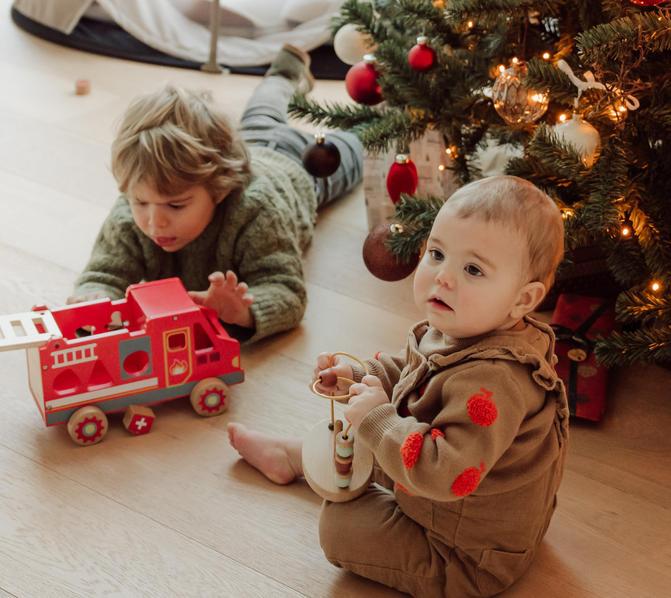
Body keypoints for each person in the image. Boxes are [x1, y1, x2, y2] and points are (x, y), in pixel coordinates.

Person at [227, 175, 570, 598]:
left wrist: (376, 416)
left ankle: (326, 465)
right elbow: (413, 376)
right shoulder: (467, 324)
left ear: (523, 300)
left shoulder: (495, 381)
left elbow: (444, 471)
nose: (443, 277)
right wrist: (357, 376)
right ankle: (296, 456)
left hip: (466, 555)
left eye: (473, 269)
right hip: (446, 497)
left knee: (338, 527)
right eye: (437, 253)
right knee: (373, 426)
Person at [68, 45, 363, 343]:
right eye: (140, 201)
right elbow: (102, 275)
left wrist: (242, 312)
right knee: (261, 114)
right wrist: (95, 297)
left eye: (175, 205)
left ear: (220, 190)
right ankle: (285, 75)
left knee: (367, 141)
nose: (154, 222)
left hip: (304, 166)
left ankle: (295, 79)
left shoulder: (257, 212)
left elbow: (286, 291)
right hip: (249, 142)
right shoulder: (130, 213)